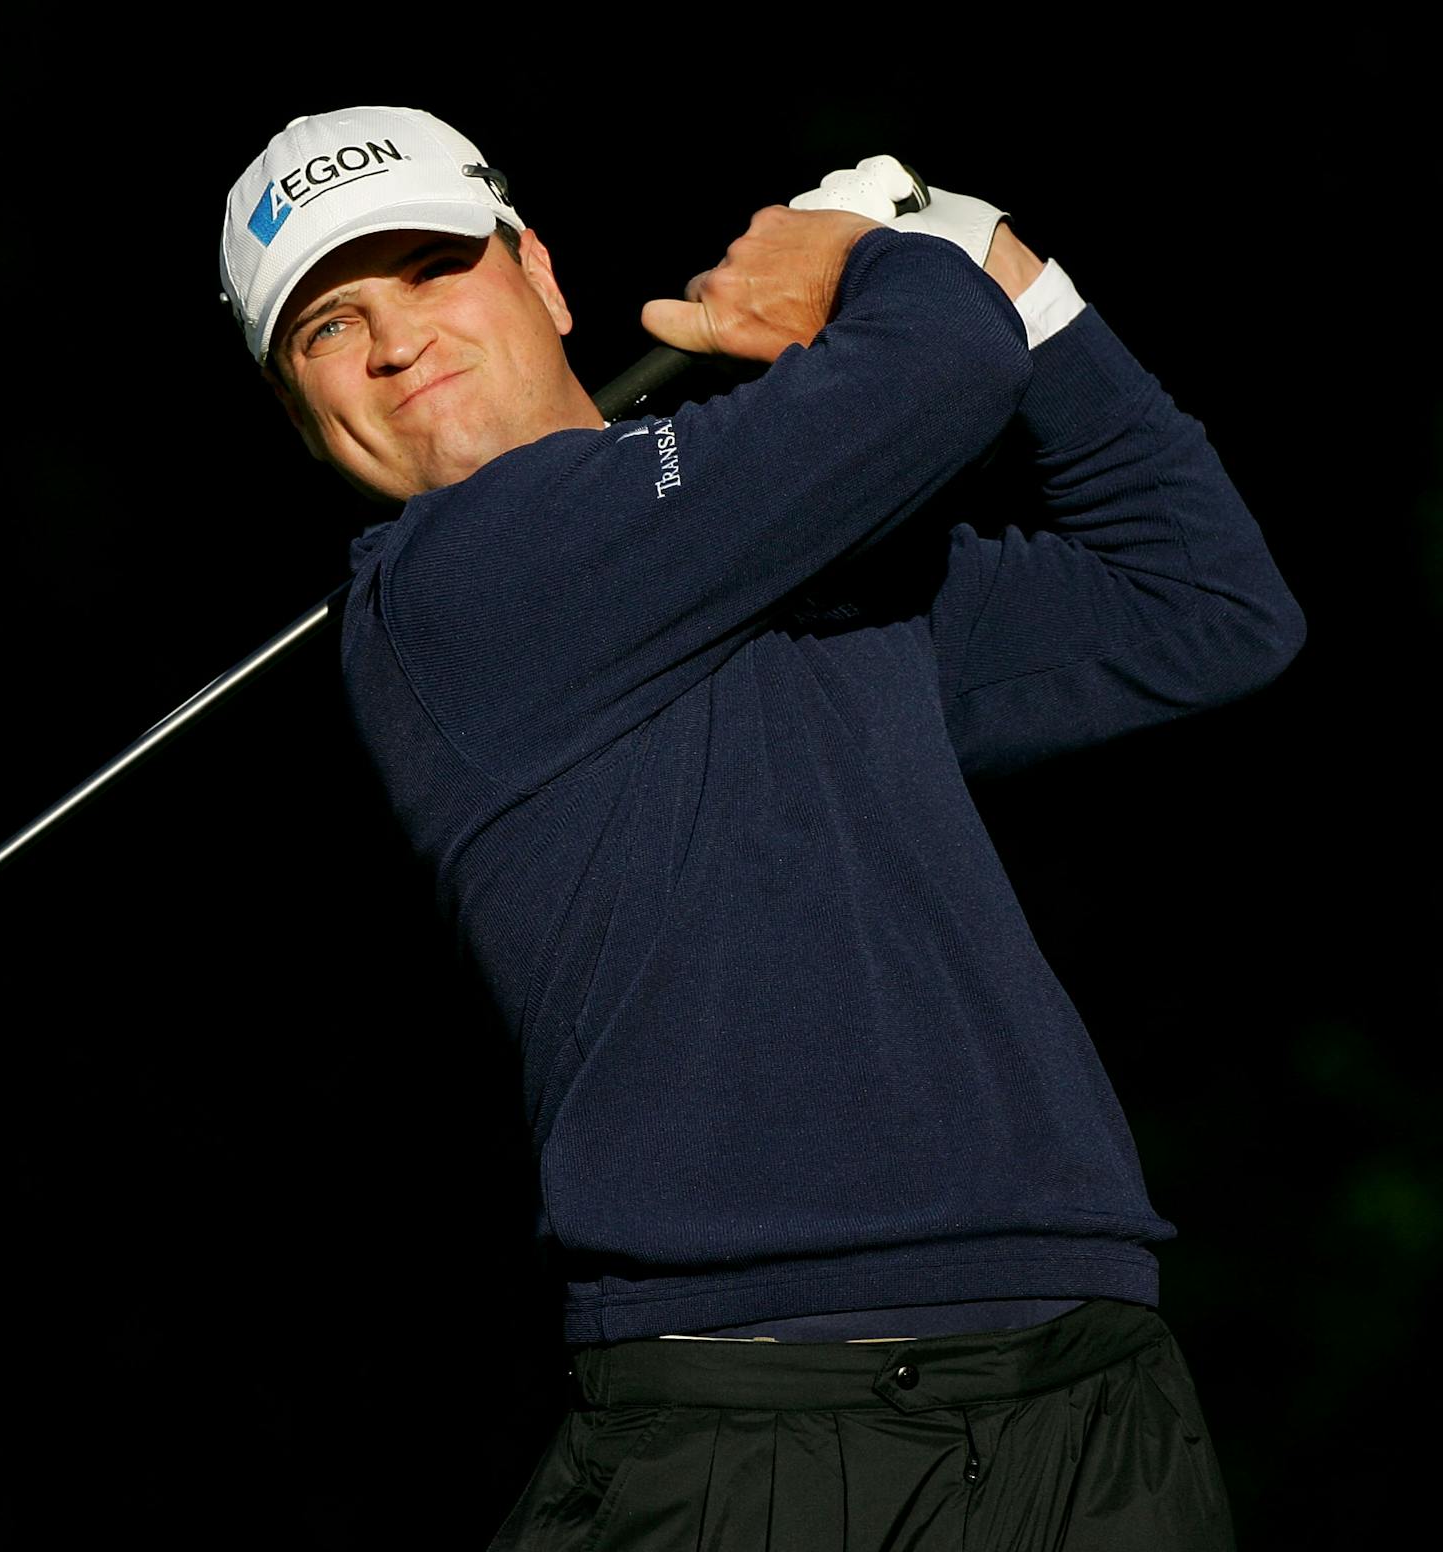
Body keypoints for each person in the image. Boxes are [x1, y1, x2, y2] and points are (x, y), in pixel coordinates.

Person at [219, 107, 1303, 1549]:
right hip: (755, 1419)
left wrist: (999, 261)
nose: (397, 341)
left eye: (430, 270)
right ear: (300, 408)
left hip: (1088, 1393)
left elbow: (1206, 607)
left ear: (540, 274)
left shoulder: (795, 559)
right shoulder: (454, 589)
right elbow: (942, 366)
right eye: (329, 327)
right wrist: (870, 255)